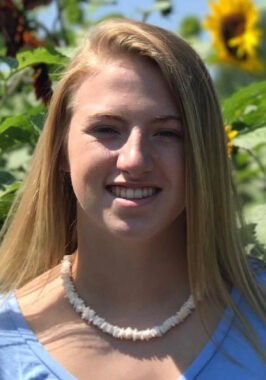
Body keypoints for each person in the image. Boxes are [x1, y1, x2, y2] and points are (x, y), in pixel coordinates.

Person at [0, 18, 265, 380]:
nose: (135, 159)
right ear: (60, 149)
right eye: (107, 129)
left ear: (204, 152)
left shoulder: (260, 314)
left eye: (167, 133)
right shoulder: (7, 340)